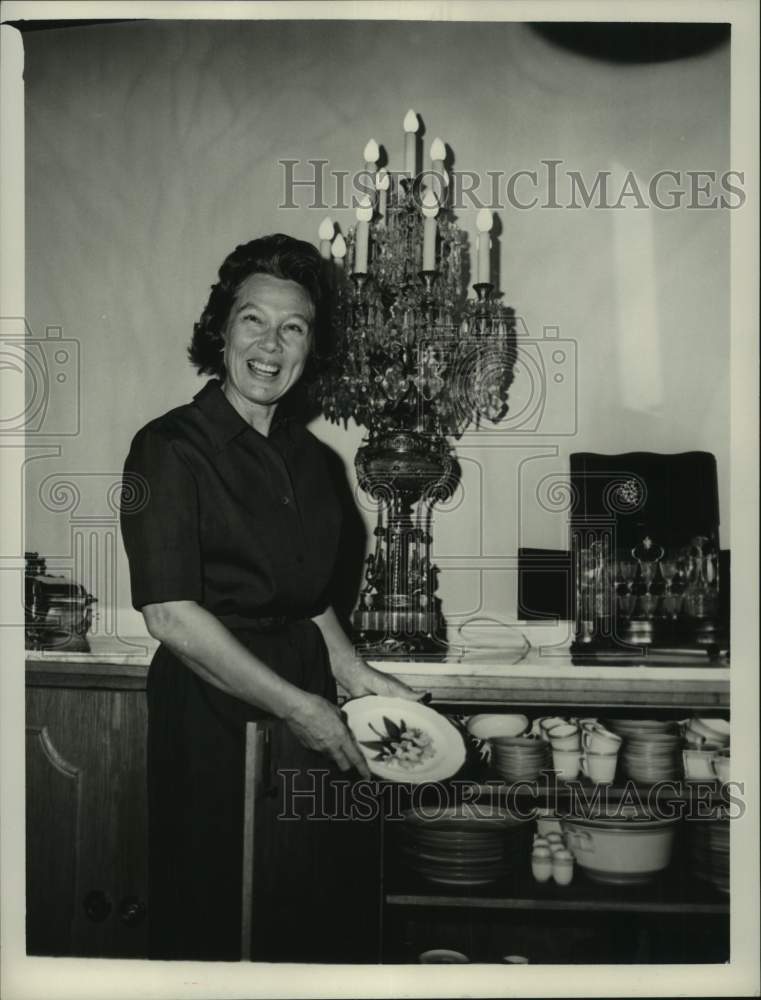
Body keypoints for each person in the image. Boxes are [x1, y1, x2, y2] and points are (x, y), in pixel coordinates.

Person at [120, 234, 417, 962]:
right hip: (211, 709)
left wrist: (351, 672)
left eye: (294, 327)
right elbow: (169, 614)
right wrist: (296, 706)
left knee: (303, 906)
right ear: (220, 329)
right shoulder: (166, 448)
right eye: (253, 319)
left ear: (310, 349)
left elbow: (308, 593)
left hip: (307, 702)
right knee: (211, 908)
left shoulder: (314, 462)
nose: (270, 342)